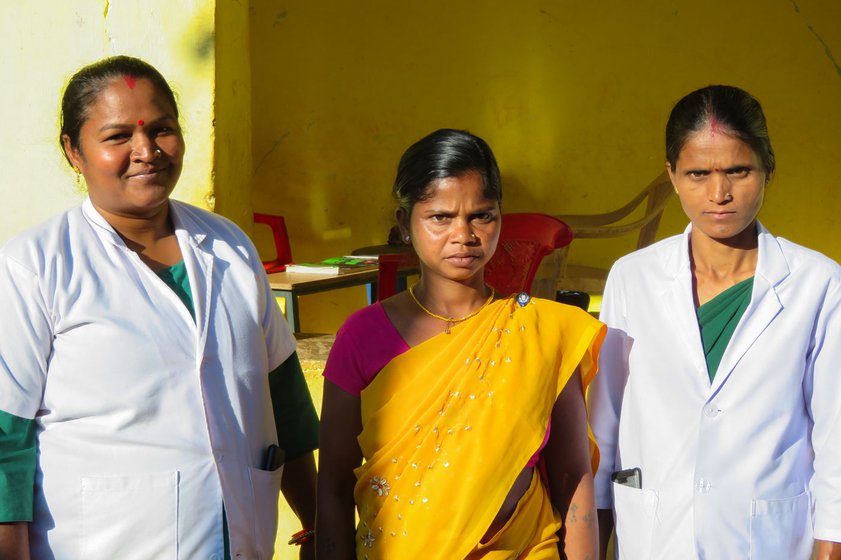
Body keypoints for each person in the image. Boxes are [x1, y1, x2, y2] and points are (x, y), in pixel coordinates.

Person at [0, 56, 318, 560]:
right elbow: (5, 440)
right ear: (73, 152)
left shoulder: (230, 247)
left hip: (241, 541)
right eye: (117, 136)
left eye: (162, 130)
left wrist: (319, 522)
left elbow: (283, 402)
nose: (146, 151)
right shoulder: (34, 266)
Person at [316, 128, 606, 559]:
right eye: (440, 217)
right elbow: (334, 486)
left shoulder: (543, 331)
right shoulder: (362, 335)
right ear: (404, 224)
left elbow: (573, 477)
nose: (463, 234)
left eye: (481, 215)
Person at [590, 85, 841, 559]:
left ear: (768, 169)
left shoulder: (818, 285)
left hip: (768, 541)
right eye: (698, 173)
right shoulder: (634, 278)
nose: (719, 194)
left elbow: (838, 436)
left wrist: (830, 546)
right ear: (672, 175)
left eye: (738, 171)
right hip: (656, 536)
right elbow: (604, 424)